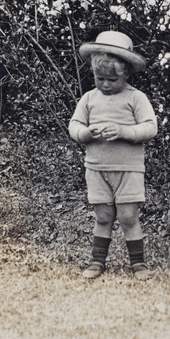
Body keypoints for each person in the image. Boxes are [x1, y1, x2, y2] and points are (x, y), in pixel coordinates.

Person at [69, 31, 158, 280]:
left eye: (112, 79)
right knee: (103, 215)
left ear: (126, 73)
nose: (106, 84)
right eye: (100, 78)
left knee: (129, 216)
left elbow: (150, 127)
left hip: (128, 168)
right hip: (96, 168)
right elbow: (74, 125)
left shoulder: (135, 98)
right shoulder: (89, 99)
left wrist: (124, 131)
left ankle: (138, 263)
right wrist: (85, 133)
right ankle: (97, 261)